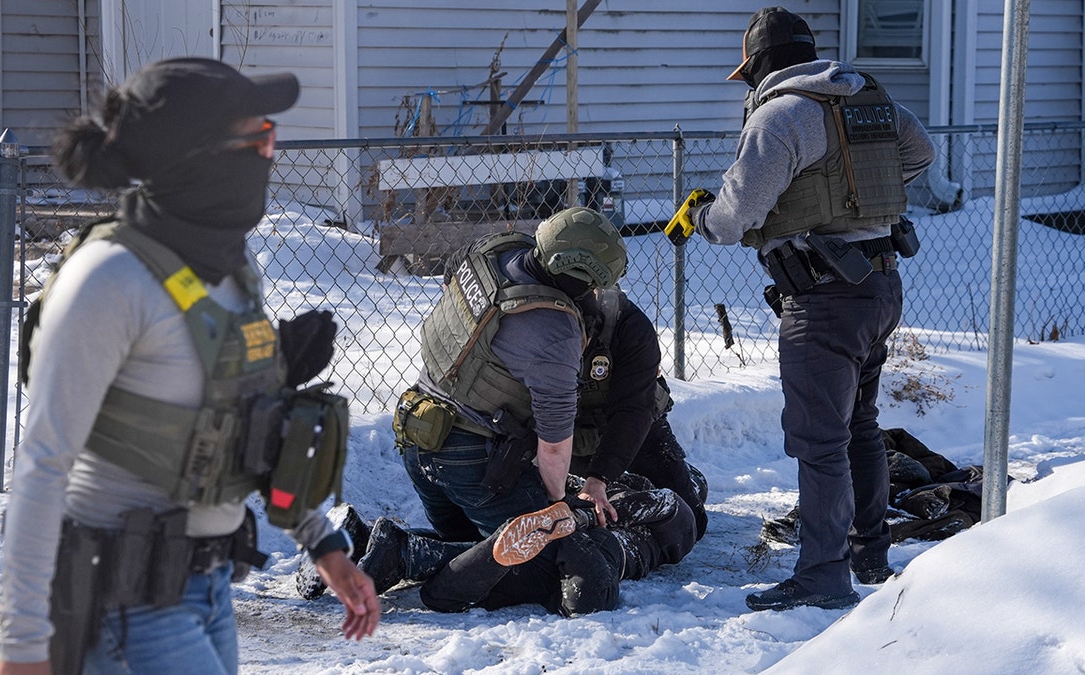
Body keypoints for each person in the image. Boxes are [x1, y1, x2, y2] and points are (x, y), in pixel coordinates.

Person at [0, 58, 378, 675]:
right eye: (261, 139)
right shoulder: (109, 279)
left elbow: (245, 428)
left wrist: (322, 544)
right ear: (196, 156)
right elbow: (42, 465)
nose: (271, 155)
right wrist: (22, 648)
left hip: (208, 591)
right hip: (124, 606)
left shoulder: (230, 268)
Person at [663, 7, 935, 611]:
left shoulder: (779, 116)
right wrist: (855, 196)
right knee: (858, 425)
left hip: (824, 298)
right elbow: (920, 154)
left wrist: (702, 216)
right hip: (881, 286)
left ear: (759, 65)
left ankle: (822, 576)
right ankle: (869, 555)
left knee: (820, 442)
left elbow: (734, 219)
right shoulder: (869, 99)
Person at [394, 206, 629, 543]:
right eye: (593, 284)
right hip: (468, 458)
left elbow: (450, 277)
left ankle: (383, 545)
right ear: (580, 274)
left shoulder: (491, 251)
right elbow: (553, 449)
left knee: (468, 547)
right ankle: (402, 552)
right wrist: (556, 507)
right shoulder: (555, 332)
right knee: (543, 558)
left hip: (417, 429)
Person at [301, 474, 700, 617]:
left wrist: (576, 516)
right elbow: (663, 501)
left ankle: (385, 547)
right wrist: (574, 514)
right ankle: (394, 554)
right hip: (580, 546)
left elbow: (663, 501)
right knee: (584, 594)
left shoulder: (670, 517)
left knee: (464, 589)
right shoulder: (624, 496)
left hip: (571, 544)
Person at [572, 286, 708, 536]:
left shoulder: (628, 323)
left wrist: (598, 479)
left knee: (689, 521)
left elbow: (634, 411)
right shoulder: (529, 319)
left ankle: (692, 481)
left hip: (633, 428)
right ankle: (625, 484)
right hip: (568, 434)